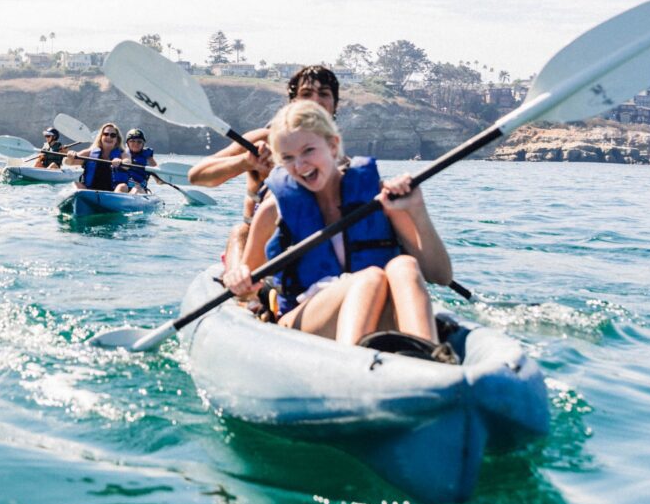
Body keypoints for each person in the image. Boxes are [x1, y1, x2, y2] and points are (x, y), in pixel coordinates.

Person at [222, 101, 453, 351]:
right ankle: (351, 368)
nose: (300, 166)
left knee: (404, 265)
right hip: (305, 319)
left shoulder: (378, 198)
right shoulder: (273, 210)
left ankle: (428, 357)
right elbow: (246, 293)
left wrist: (417, 210)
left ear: (333, 146)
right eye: (288, 158)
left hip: (378, 313)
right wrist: (241, 281)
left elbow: (440, 276)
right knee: (370, 279)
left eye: (308, 150)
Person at [189, 65, 342, 266]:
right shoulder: (263, 139)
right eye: (306, 94)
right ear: (293, 101)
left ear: (335, 104)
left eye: (323, 94)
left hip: (311, 245)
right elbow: (197, 175)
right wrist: (245, 161)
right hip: (257, 243)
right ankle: (243, 290)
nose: (315, 101)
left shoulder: (337, 156)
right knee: (240, 232)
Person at [68, 122, 124, 191]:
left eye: (113, 135)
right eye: (105, 134)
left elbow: (128, 162)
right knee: (75, 184)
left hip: (112, 194)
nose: (109, 137)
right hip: (90, 192)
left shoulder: (123, 154)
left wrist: (120, 161)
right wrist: (70, 156)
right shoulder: (89, 153)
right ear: (101, 137)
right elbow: (69, 163)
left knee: (123, 186)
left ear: (117, 139)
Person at [114, 128, 158, 193]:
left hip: (140, 189)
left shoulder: (148, 158)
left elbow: (159, 180)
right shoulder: (122, 154)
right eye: (132, 141)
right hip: (124, 187)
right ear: (127, 143)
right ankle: (115, 200)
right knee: (121, 186)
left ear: (143, 144)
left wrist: (163, 178)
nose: (136, 143)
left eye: (139, 141)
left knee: (136, 188)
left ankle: (129, 201)